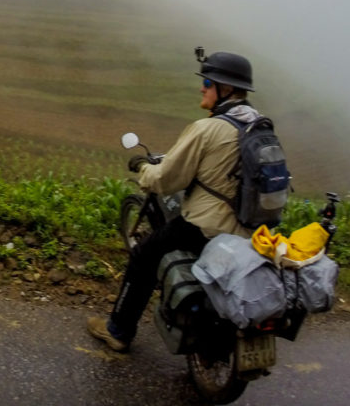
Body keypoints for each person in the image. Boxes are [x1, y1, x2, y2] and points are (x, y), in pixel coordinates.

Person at [87, 50, 258, 352]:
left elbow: (166, 179)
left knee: (143, 255)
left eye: (208, 81)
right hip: (251, 229)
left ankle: (118, 330)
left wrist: (142, 168)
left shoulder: (208, 128)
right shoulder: (258, 125)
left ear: (226, 89)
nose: (202, 87)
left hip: (209, 226)